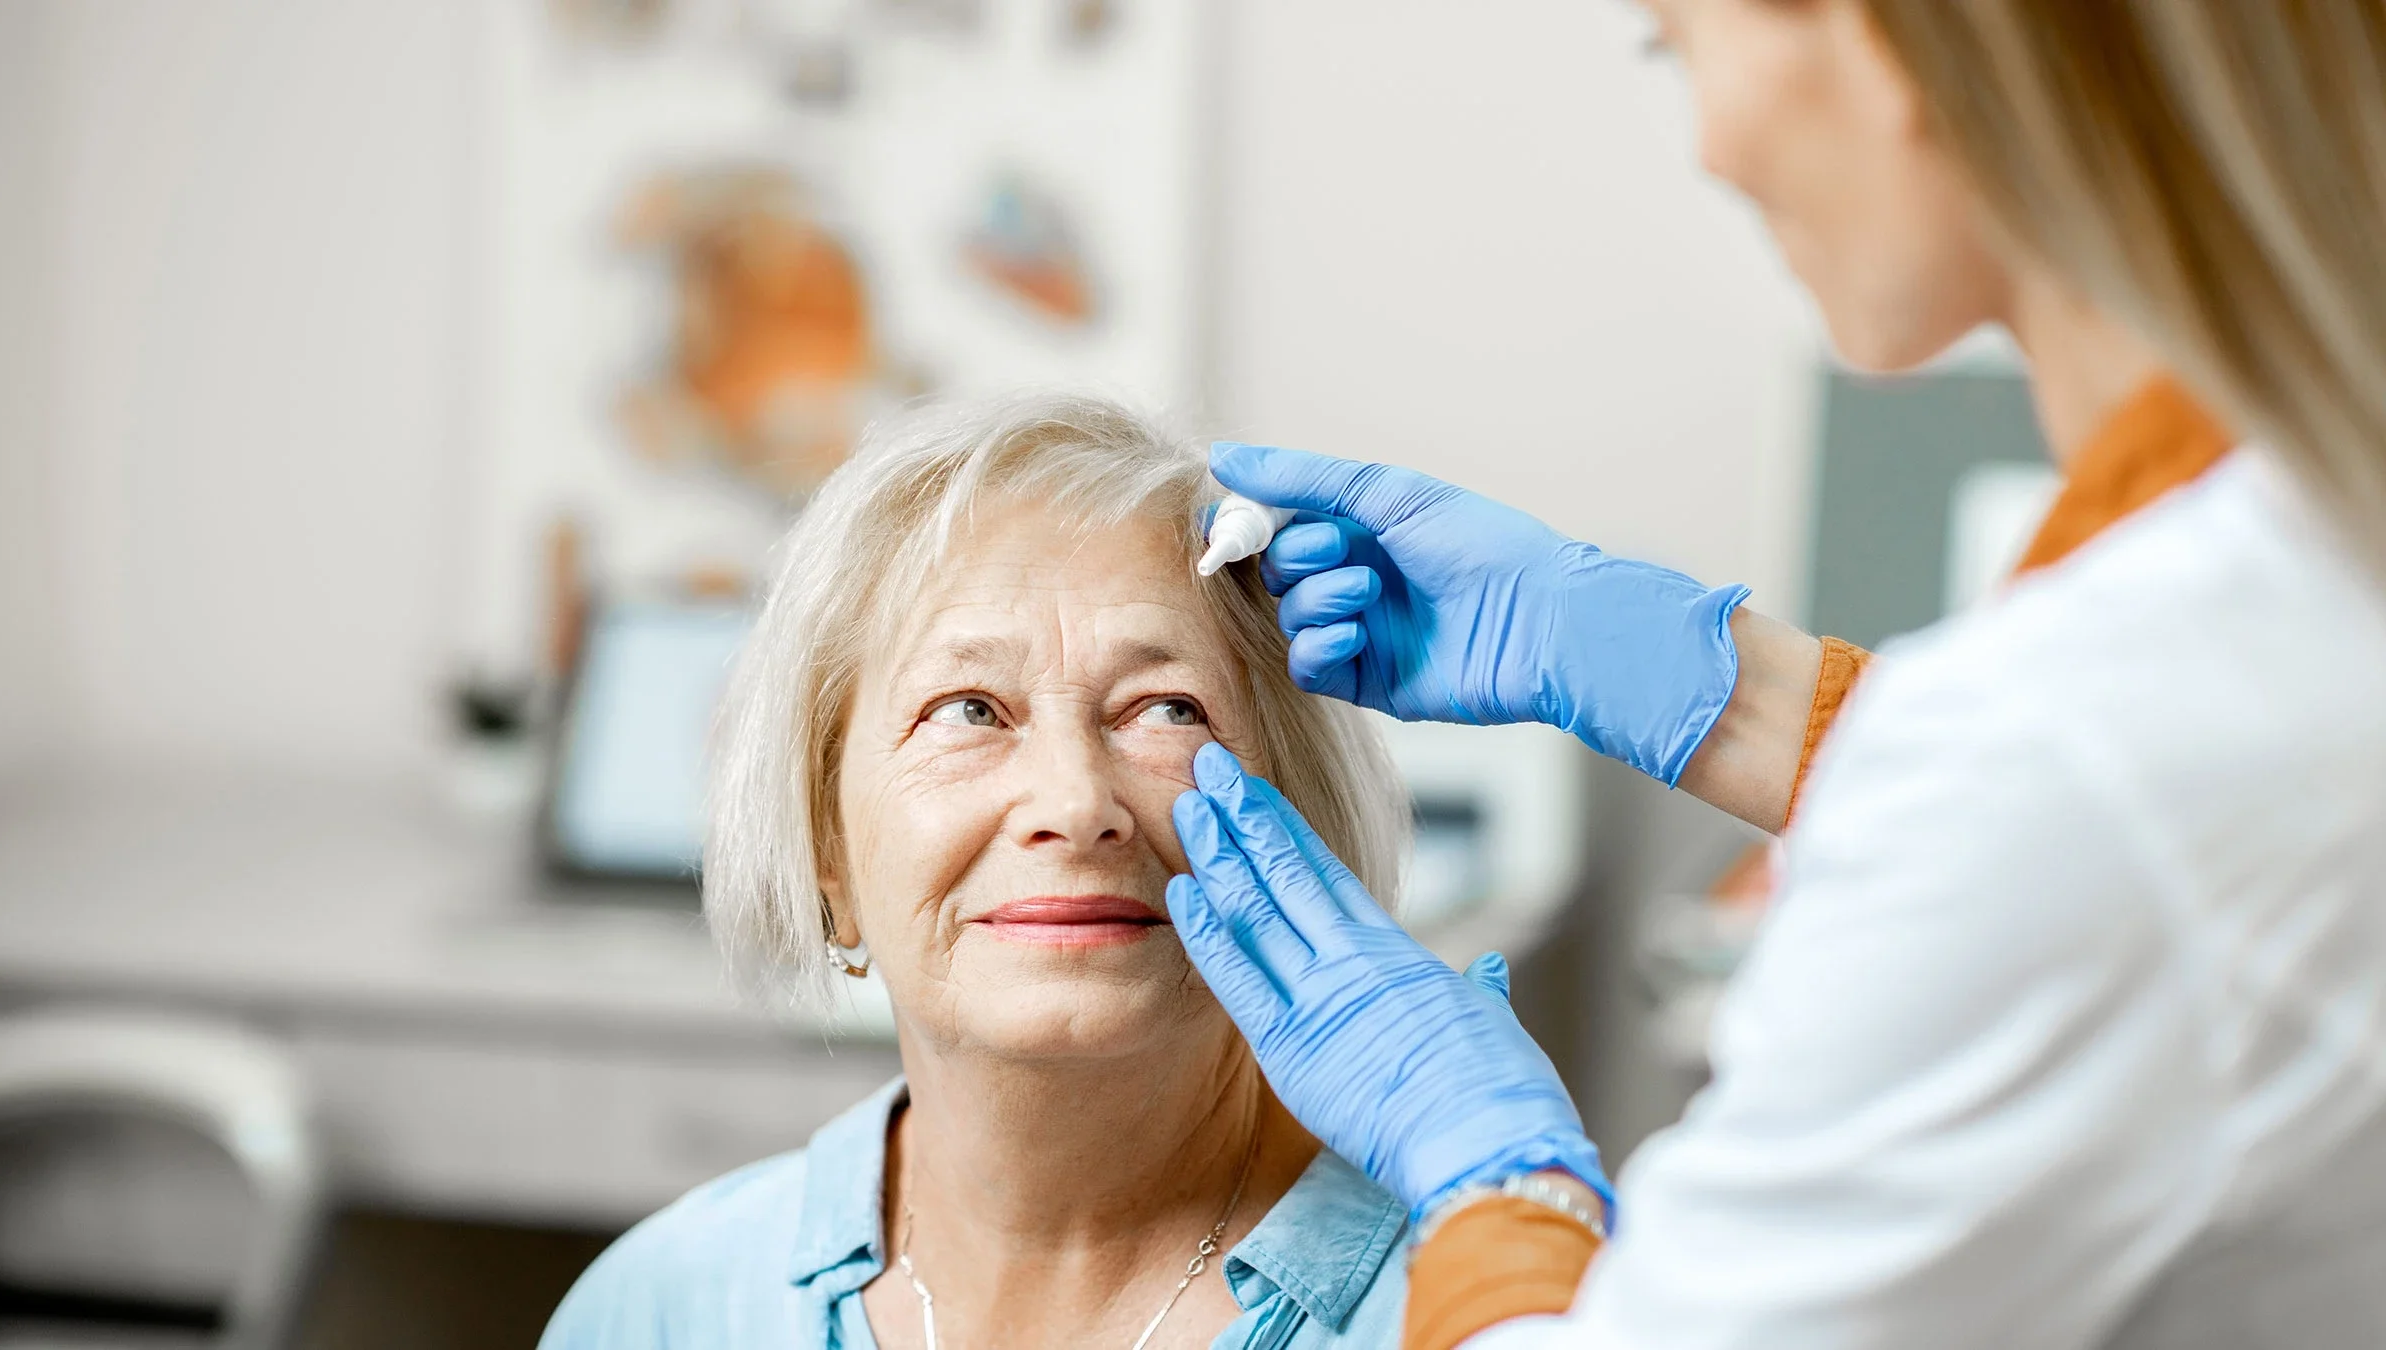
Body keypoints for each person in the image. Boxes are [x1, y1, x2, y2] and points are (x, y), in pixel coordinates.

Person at [1166, 2, 2386, 1348]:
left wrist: (1484, 1166)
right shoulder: (2269, 572)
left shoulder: (2066, 751)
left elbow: (2083, 817)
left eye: (1676, 43)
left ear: (1894, 44)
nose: (1710, 148)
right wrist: (1706, 684)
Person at [539, 394, 1429, 1349]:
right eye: (968, 709)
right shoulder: (657, 1312)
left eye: (1167, 709)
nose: (1075, 805)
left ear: (1292, 811)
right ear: (826, 852)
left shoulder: (1483, 1307)